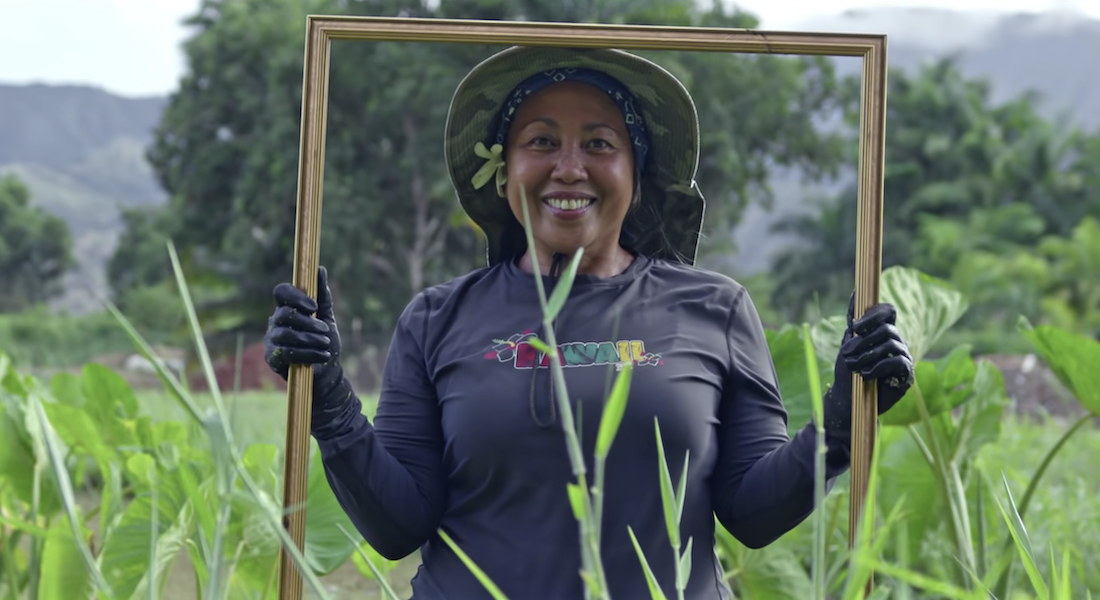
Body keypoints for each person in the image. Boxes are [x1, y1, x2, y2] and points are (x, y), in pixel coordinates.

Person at [263, 46, 914, 600]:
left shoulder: (714, 309)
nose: (568, 168)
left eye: (599, 144)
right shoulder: (436, 319)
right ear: (506, 169)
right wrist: (328, 400)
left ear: (636, 172)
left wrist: (843, 421)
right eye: (541, 141)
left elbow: (751, 512)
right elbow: (398, 526)